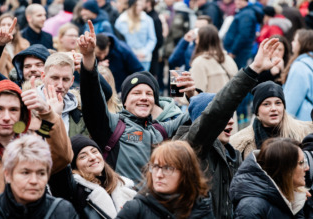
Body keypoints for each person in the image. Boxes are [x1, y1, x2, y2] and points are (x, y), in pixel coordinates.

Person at [173, 37, 290, 219]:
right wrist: (253, 70)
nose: (230, 122)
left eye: (230, 117)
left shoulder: (232, 154)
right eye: (223, 120)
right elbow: (216, 112)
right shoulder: (189, 148)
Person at [78, 21, 194, 183]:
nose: (144, 97)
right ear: (124, 101)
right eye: (136, 93)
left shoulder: (160, 130)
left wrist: (192, 95)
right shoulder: (112, 124)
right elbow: (93, 100)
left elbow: (200, 117)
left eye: (149, 94)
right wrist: (89, 58)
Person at [0, 79, 73, 199]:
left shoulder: (30, 148)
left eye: (13, 110)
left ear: (22, 115)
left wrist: (48, 113)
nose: (6, 117)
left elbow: (62, 157)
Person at [0, 135, 78, 218]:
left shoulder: (63, 212)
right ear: (8, 175)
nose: (34, 181)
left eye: (41, 173)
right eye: (25, 173)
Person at [117, 140, 214, 218]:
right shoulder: (135, 209)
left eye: (167, 168)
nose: (159, 175)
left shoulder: (202, 209)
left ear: (186, 173)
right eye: (155, 166)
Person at [50, 134, 137, 218]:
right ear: (74, 166)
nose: (92, 157)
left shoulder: (125, 185)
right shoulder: (75, 191)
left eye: (94, 151)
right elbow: (60, 160)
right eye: (83, 156)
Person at [230, 81, 313, 160]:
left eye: (278, 103)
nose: (273, 109)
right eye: (266, 104)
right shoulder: (241, 142)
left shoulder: (305, 131)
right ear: (257, 111)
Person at [230, 138, 308, 218]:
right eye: (301, 163)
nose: (307, 168)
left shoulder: (293, 200)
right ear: (284, 168)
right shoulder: (251, 208)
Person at [190, 24, 238, 93]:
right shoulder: (229, 60)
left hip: (209, 103)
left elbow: (197, 94)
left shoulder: (200, 62)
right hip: (229, 103)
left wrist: (180, 97)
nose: (195, 41)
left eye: (197, 39)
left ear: (202, 41)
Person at [281, 29, 313, 121]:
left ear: (302, 43)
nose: (292, 43)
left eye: (295, 40)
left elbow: (291, 103)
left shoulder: (299, 66)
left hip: (304, 124)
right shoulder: (312, 62)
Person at [115, 0, 157, 70]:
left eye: (141, 5)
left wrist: (144, 52)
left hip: (143, 59)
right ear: (132, 5)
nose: (140, 8)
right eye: (137, 5)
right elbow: (118, 41)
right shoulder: (121, 21)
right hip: (127, 58)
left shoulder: (148, 20)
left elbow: (152, 39)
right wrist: (128, 53)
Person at [0, 13, 30, 78]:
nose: (6, 27)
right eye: (3, 25)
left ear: (15, 28)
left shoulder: (24, 44)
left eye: (9, 24)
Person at [223, 0, 263, 69]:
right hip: (238, 51)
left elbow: (243, 35)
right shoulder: (243, 12)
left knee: (236, 72)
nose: (237, 2)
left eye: (241, 0)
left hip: (239, 52)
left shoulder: (246, 14)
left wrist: (233, 51)